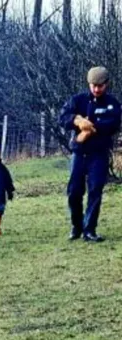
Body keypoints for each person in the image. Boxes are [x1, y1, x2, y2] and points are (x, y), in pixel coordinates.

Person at [59, 66, 121, 242]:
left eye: (100, 86)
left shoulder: (112, 103)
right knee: (74, 191)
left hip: (99, 154)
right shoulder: (77, 100)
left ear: (106, 84)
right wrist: (76, 120)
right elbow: (62, 117)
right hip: (79, 154)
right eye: (93, 85)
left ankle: (90, 229)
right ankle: (76, 227)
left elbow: (113, 124)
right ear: (89, 84)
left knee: (95, 190)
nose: (96, 89)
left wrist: (90, 129)